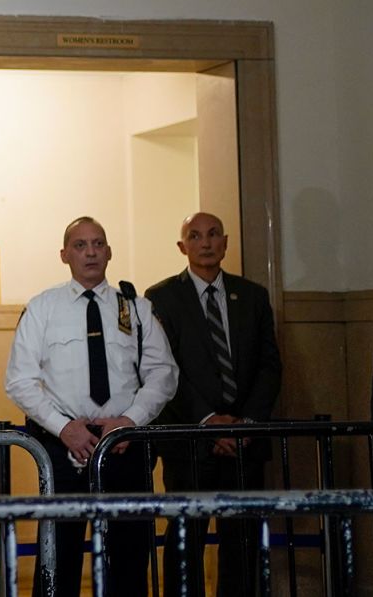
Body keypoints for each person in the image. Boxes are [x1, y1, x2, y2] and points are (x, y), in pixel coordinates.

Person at [5, 217, 178, 597]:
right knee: (59, 555)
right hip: (63, 446)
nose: (90, 252)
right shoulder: (42, 308)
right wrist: (64, 428)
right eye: (80, 245)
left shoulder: (136, 308)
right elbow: (19, 380)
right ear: (64, 254)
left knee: (130, 553)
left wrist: (128, 421)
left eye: (98, 244)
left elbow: (163, 373)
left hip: (124, 444)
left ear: (110, 252)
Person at [146, 212, 282, 596]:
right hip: (189, 442)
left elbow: (269, 366)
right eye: (195, 235)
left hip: (245, 443)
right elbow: (165, 370)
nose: (205, 242)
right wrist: (208, 420)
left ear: (225, 242)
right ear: (182, 246)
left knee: (242, 541)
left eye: (213, 235)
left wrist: (245, 424)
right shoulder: (161, 297)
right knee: (185, 541)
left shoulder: (253, 296)